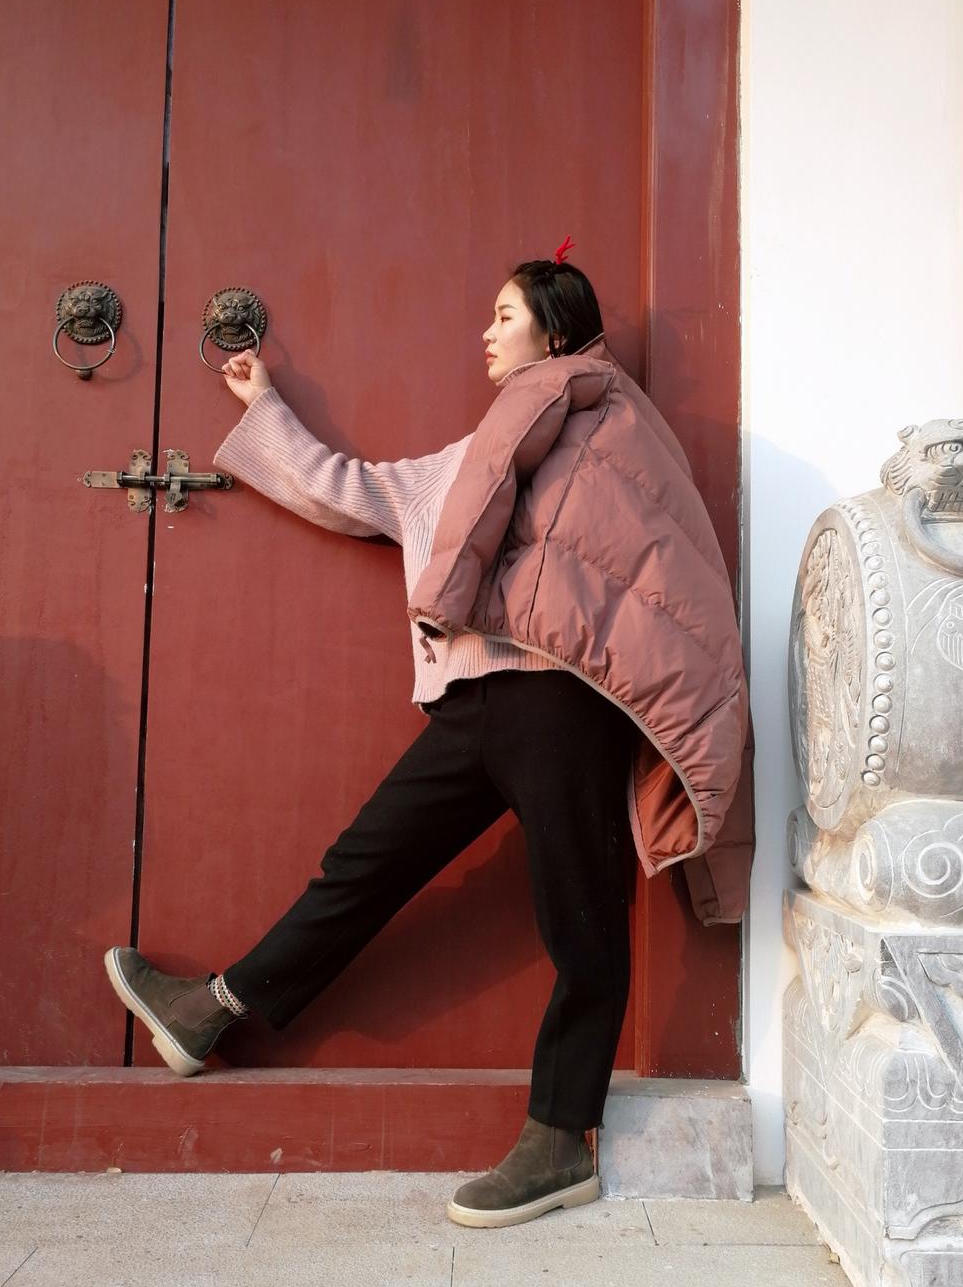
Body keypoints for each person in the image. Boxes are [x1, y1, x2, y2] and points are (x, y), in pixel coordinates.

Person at [104, 240, 748, 1228]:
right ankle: (214, 1008)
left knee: (579, 916)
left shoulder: (608, 432)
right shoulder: (468, 461)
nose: (485, 334)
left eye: (505, 316)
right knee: (362, 866)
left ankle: (558, 1139)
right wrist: (263, 404)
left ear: (557, 334)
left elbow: (657, 564)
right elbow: (350, 488)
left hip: (560, 700)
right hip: (473, 703)